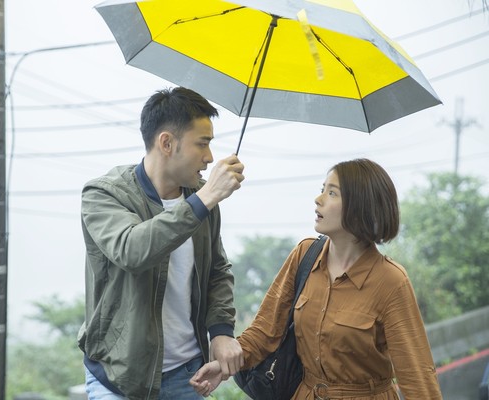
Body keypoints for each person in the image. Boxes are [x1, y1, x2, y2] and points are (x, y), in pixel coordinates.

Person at [191, 158, 443, 399]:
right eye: (322, 190)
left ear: (360, 206)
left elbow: (416, 376)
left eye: (332, 193)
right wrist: (223, 366)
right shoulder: (305, 255)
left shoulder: (390, 281)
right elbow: (265, 331)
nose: (318, 199)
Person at [76, 86, 245, 400]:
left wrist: (221, 332)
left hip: (188, 376)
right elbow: (131, 251)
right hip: (119, 378)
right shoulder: (104, 194)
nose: (209, 158)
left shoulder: (201, 198)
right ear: (167, 142)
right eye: (202, 144)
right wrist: (205, 199)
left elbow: (217, 271)